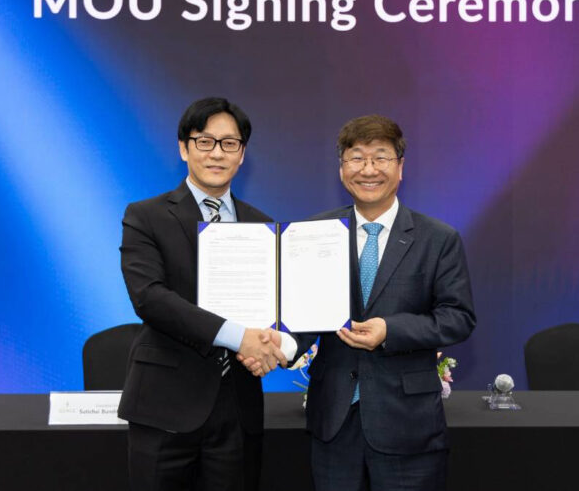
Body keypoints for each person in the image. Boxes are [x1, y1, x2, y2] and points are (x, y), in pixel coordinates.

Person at [244, 114, 475, 491]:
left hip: (408, 425)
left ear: (400, 167)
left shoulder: (438, 239)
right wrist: (279, 344)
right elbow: (302, 316)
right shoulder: (313, 233)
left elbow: (458, 318)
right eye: (356, 158)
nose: (368, 169)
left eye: (380, 157)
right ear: (341, 168)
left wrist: (390, 330)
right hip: (333, 422)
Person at [118, 97, 287, 491]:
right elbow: (150, 298)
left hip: (238, 407)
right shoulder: (145, 215)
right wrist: (239, 336)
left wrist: (277, 342)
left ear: (242, 154)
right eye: (204, 141)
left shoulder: (262, 225)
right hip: (165, 405)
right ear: (184, 148)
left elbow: (275, 307)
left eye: (229, 143)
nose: (217, 153)